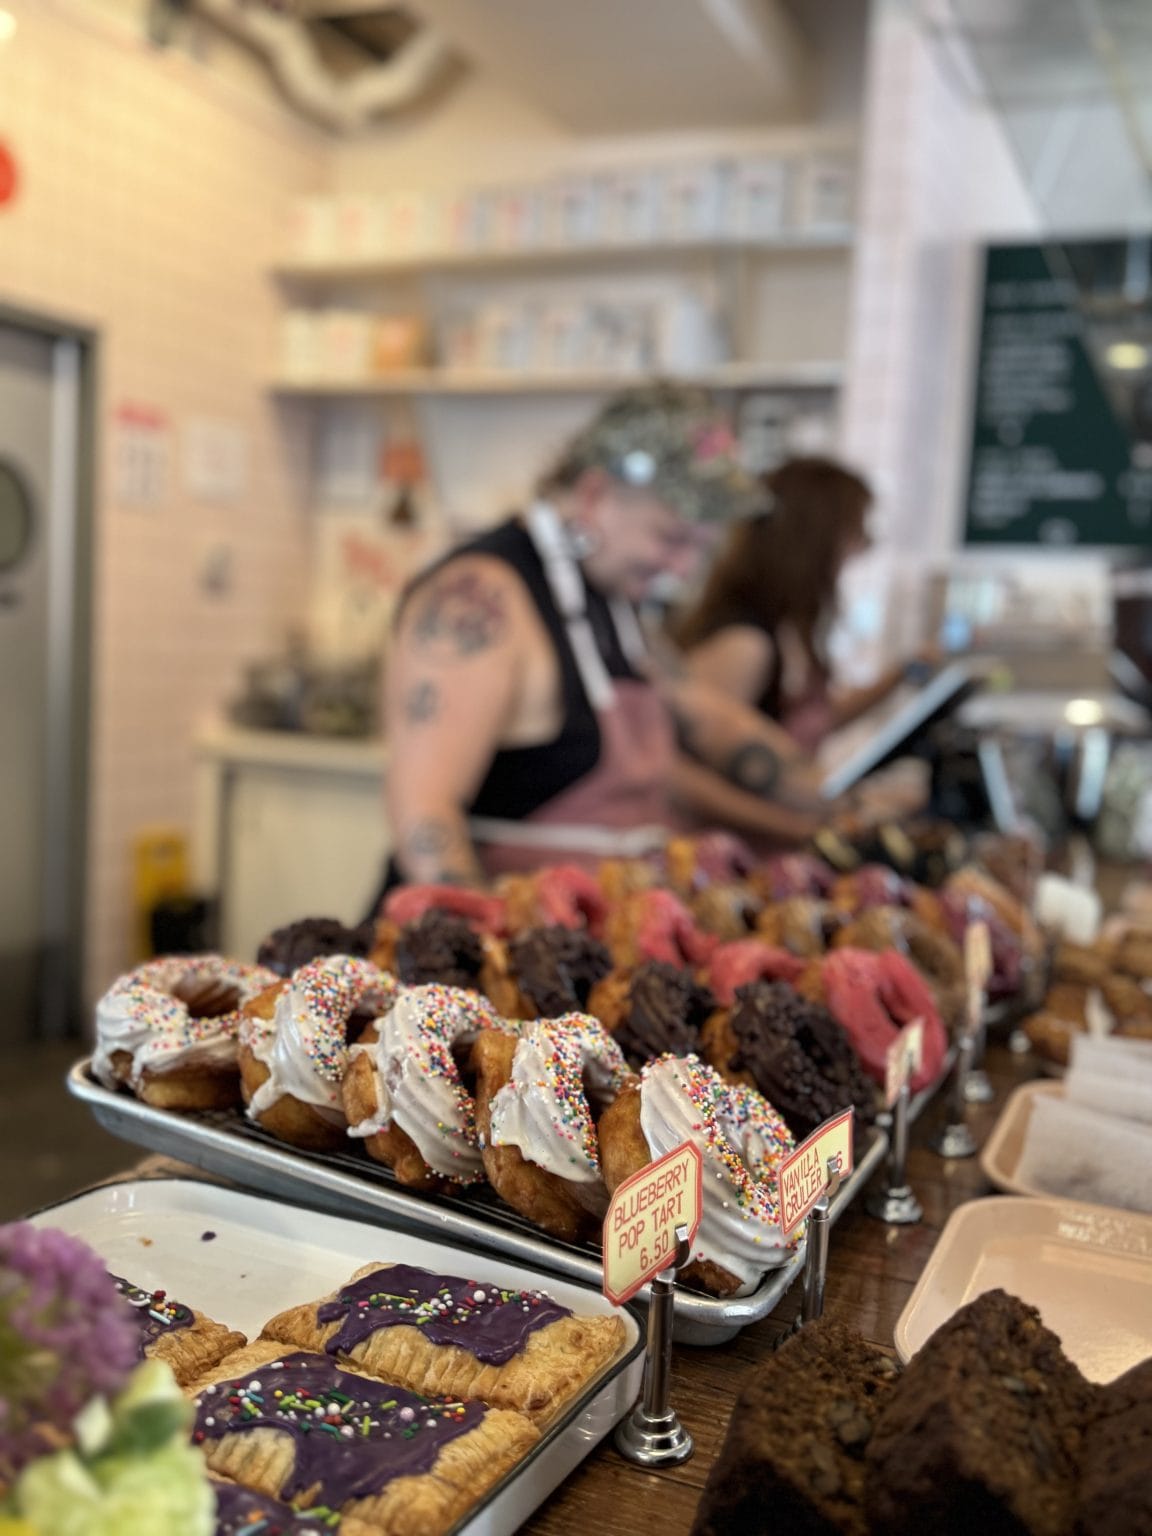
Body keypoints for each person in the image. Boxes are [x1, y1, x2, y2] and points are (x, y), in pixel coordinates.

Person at [380, 384, 830, 892]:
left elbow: (706, 716)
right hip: (484, 937)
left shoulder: (616, 602)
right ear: (596, 497)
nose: (681, 569)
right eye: (671, 538)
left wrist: (830, 799)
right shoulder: (479, 599)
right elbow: (424, 811)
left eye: (698, 550)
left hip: (586, 938)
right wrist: (477, 953)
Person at [673, 456, 938, 751]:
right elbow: (689, 769)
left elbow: (797, 729)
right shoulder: (744, 642)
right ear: (814, 538)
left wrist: (899, 675)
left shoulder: (784, 625)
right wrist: (839, 799)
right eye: (854, 530)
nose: (864, 545)